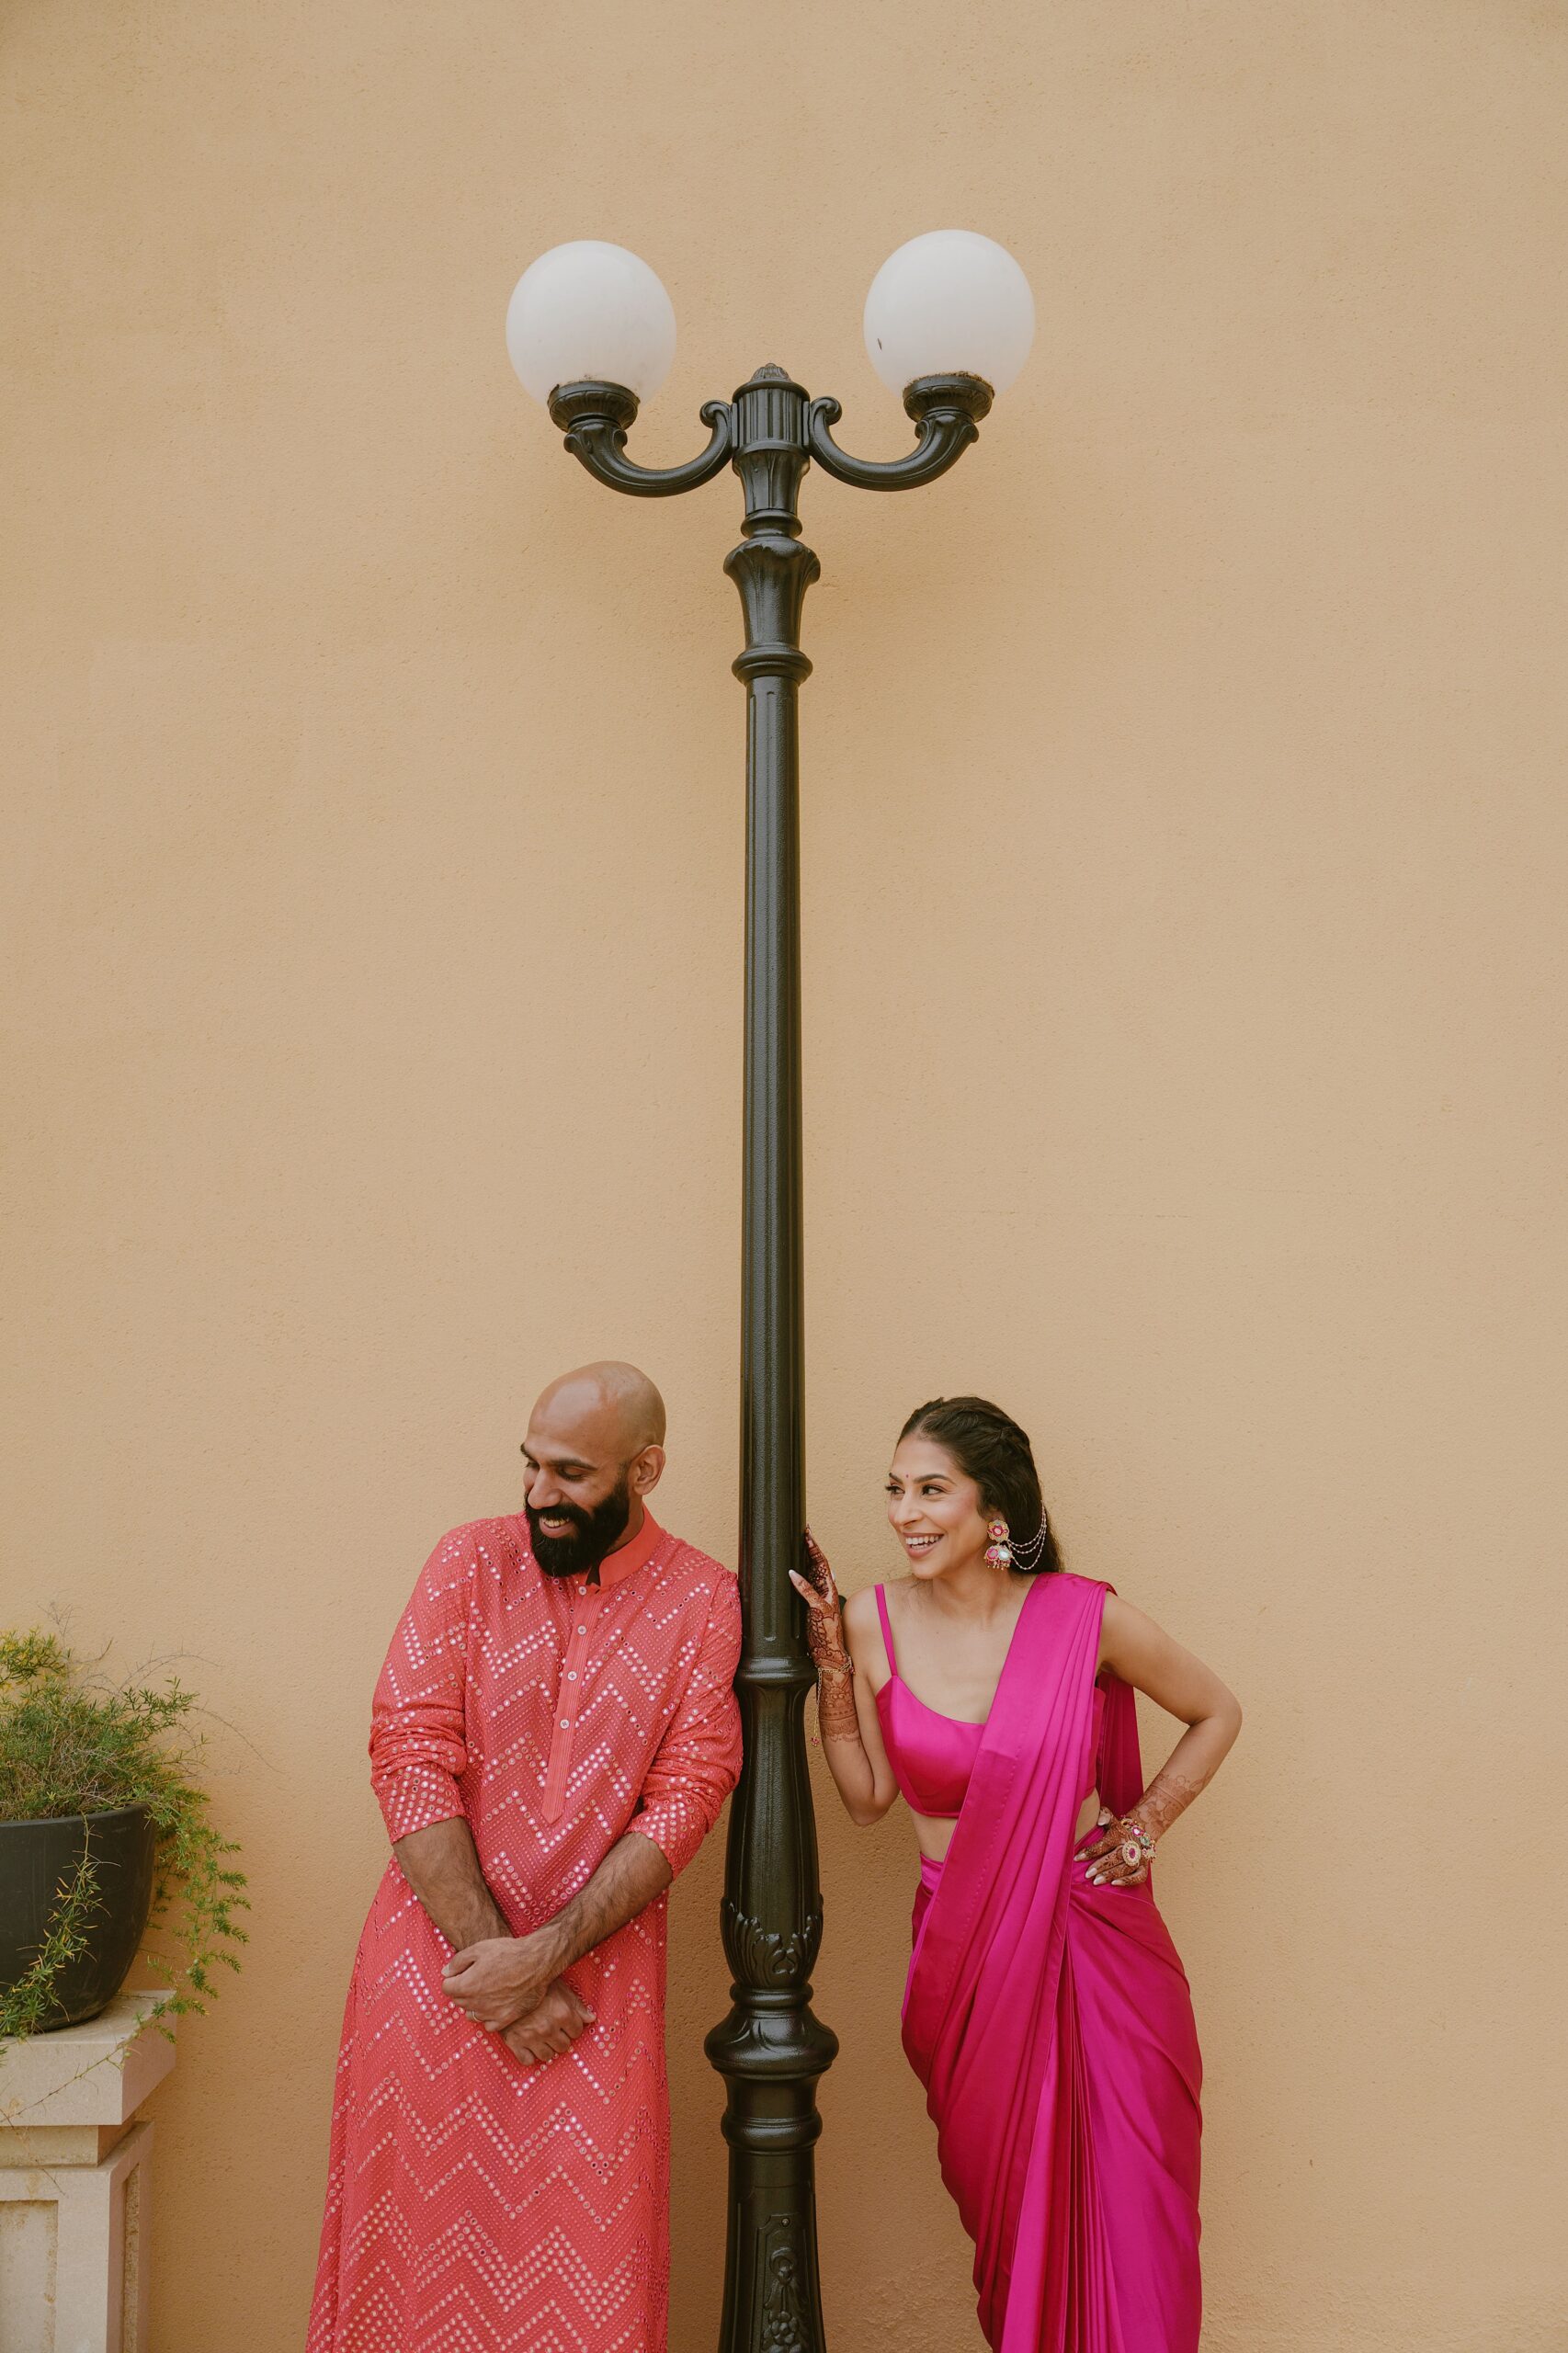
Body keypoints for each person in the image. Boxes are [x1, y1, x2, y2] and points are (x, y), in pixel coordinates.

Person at [307, 1362, 743, 2353]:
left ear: (646, 1469)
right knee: (404, 2279)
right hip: (438, 1979)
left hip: (593, 1997)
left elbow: (687, 1794)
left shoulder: (705, 1600)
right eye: (531, 1464)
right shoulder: (468, 1562)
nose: (540, 1492)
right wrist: (499, 1973)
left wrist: (544, 1958)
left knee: (588, 2279)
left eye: (571, 1473)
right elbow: (408, 1752)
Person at [790, 1394, 1241, 2353]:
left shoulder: (1082, 1618)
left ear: (994, 1507)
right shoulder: (869, 1620)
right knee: (1013, 2230)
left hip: (1098, 1953)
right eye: (894, 1490)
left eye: (930, 1490)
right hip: (966, 1964)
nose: (904, 1513)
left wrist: (1145, 1824)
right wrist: (828, 1662)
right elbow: (867, 1799)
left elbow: (1216, 1710)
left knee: (1136, 2219)